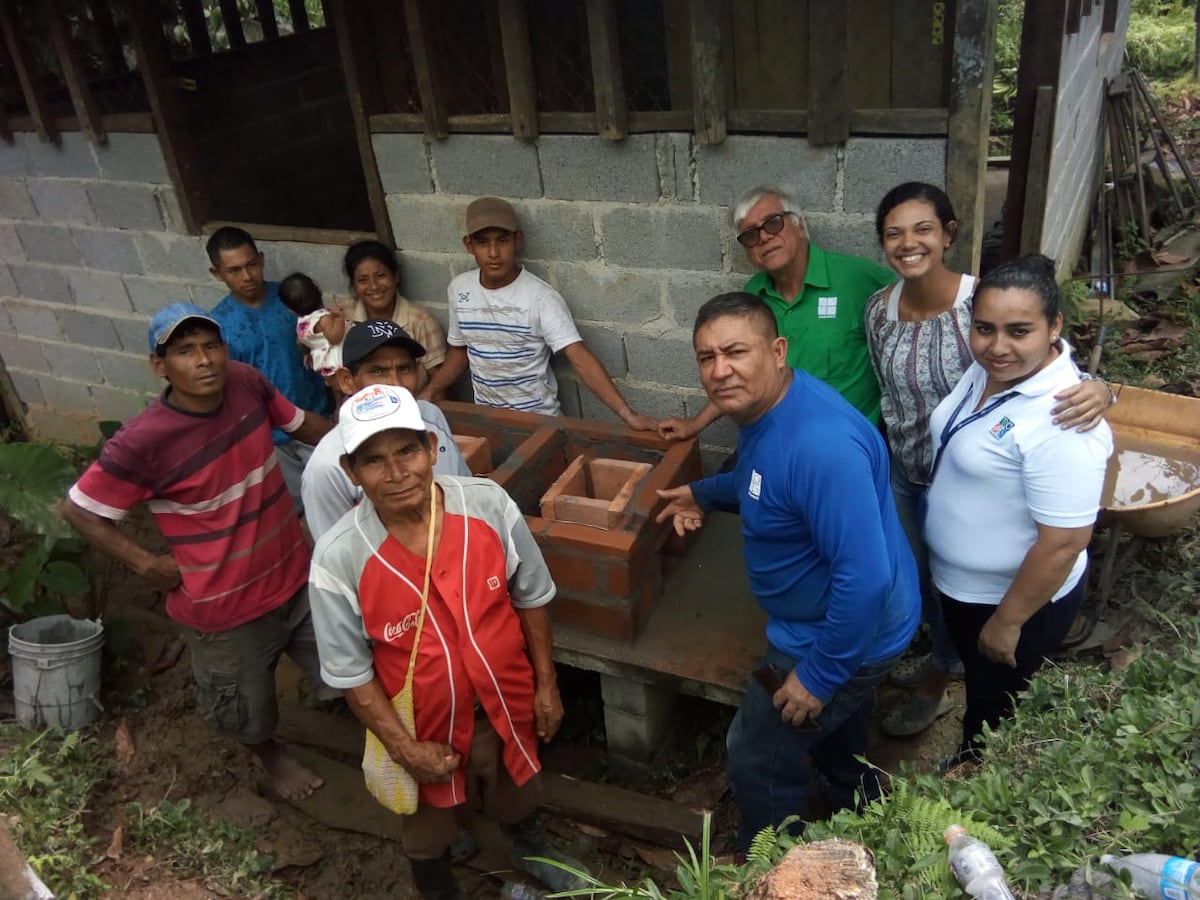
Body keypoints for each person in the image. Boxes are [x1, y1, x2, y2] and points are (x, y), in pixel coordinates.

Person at [655, 292, 919, 851]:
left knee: (757, 754)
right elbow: (762, 480)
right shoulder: (772, 411)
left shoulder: (820, 447)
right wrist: (704, 492)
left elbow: (864, 578)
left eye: (735, 352)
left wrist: (820, 675)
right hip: (846, 627)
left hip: (836, 637)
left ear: (777, 351)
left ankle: (775, 863)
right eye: (706, 357)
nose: (719, 370)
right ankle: (861, 813)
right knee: (838, 731)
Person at [308, 384, 586, 900]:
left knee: (517, 789)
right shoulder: (338, 557)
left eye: (407, 451)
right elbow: (350, 672)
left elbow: (531, 596)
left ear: (433, 449)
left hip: (507, 704)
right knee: (429, 830)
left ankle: (530, 851)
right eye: (374, 460)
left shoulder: (487, 505)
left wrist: (547, 685)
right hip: (423, 729)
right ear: (351, 472)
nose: (397, 473)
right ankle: (440, 886)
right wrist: (404, 748)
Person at [864, 182, 1114, 738]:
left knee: (993, 698)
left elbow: (1064, 540)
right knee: (927, 590)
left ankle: (953, 709)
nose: (998, 344)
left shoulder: (1055, 410)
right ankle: (943, 663)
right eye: (894, 233)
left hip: (1001, 590)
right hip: (915, 478)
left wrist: (1102, 389)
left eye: (923, 228)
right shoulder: (973, 361)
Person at [62, 303, 333, 801]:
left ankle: (339, 710)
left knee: (341, 663)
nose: (205, 360)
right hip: (226, 608)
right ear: (159, 366)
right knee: (244, 704)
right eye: (185, 350)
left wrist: (365, 435)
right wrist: (145, 562)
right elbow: (79, 509)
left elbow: (303, 427)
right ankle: (270, 757)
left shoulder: (246, 383)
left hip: (294, 574)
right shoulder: (143, 442)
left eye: (211, 346)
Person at [924, 255, 1112, 766]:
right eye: (984, 329)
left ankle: (973, 772)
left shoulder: (1064, 421)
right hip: (966, 590)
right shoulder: (990, 372)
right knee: (981, 679)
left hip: (1010, 602)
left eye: (1019, 331)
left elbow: (1064, 543)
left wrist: (1007, 623)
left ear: (1054, 327)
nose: (998, 346)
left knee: (993, 709)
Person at [658, 184, 896, 441]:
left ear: (799, 225)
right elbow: (736, 372)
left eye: (773, 223)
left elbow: (918, 307)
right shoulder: (753, 296)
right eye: (750, 234)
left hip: (845, 445)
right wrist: (695, 424)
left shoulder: (857, 279)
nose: (763, 238)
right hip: (777, 439)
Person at [420, 196, 658, 431]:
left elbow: (579, 357)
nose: (493, 253)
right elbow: (460, 351)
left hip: (538, 424)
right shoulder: (460, 289)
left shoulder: (540, 298)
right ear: (469, 245)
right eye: (483, 242)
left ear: (518, 240)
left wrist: (628, 415)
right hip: (490, 423)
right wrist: (430, 391)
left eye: (502, 240)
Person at [301, 319, 470, 541]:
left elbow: (465, 495)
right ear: (347, 381)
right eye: (378, 371)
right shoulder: (327, 467)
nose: (396, 383)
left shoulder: (430, 416)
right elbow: (339, 551)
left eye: (404, 369)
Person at [207, 226, 332, 510]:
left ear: (261, 259)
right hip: (271, 439)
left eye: (251, 264)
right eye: (234, 270)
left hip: (318, 420)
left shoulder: (292, 299)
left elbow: (326, 347)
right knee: (295, 510)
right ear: (217, 273)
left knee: (336, 501)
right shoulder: (219, 325)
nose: (247, 276)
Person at [344, 240, 448, 388]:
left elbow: (439, 385)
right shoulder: (344, 315)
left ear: (395, 276)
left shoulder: (420, 320)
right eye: (362, 280)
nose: (374, 286)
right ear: (354, 285)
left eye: (380, 276)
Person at [280, 271, 346, 379]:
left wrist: (307, 354)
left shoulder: (302, 325)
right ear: (319, 290)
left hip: (324, 365)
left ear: (291, 310)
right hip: (338, 361)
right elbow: (335, 338)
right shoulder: (323, 318)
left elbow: (300, 342)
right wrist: (339, 318)